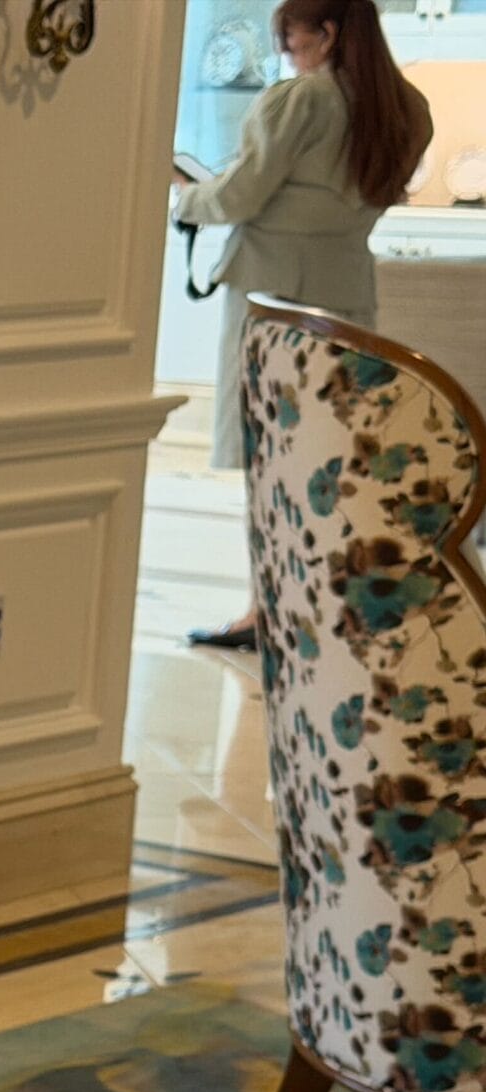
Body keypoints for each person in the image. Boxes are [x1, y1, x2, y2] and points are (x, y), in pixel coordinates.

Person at [175, 0, 431, 650]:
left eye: (289, 38)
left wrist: (186, 196)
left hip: (274, 300)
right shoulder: (408, 108)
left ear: (328, 33)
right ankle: (318, 606)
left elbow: (239, 195)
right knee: (328, 460)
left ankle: (265, 612)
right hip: (349, 298)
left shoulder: (301, 101)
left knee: (270, 459)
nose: (285, 53)